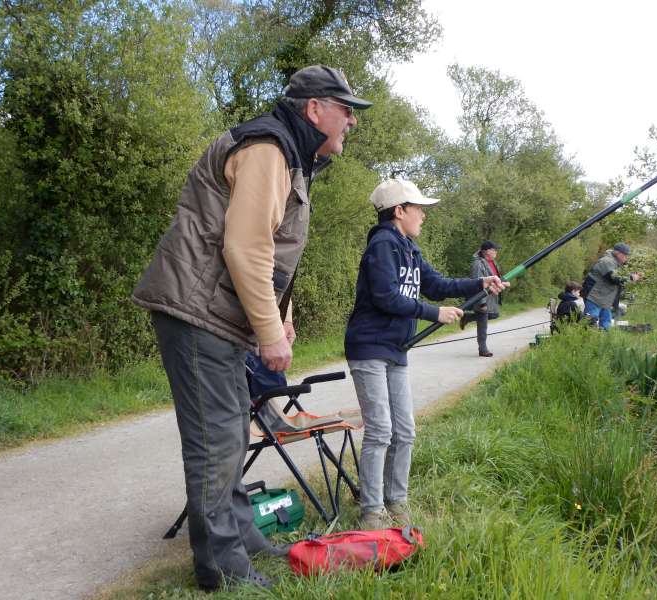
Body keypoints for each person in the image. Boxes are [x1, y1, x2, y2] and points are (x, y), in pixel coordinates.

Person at [131, 65, 372, 592]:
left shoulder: (288, 153)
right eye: (345, 109)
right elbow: (245, 248)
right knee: (215, 441)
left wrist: (279, 317)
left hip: (216, 312)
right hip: (198, 313)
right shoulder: (269, 149)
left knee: (231, 433)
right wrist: (268, 332)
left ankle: (244, 537)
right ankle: (222, 568)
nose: (351, 120)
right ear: (315, 109)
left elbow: (266, 250)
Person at [344, 179, 507, 530]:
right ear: (399, 211)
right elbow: (386, 296)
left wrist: (480, 284)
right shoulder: (383, 245)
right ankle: (371, 511)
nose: (423, 216)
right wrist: (435, 313)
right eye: (418, 208)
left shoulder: (410, 248)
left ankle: (396, 501)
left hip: (397, 349)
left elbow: (437, 285)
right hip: (369, 346)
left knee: (405, 429)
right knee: (380, 431)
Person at [582, 242, 643, 330]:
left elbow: (621, 275)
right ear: (618, 253)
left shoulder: (616, 262)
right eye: (625, 255)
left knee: (606, 325)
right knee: (590, 322)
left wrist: (636, 274)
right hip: (594, 297)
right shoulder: (607, 261)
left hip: (604, 299)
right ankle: (585, 340)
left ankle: (602, 342)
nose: (627, 258)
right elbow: (614, 278)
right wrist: (631, 278)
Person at [460, 241, 502, 357]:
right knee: (483, 321)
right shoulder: (477, 264)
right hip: (481, 297)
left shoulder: (493, 262)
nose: (496, 252)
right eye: (494, 249)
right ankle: (483, 349)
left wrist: (502, 282)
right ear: (486, 251)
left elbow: (495, 277)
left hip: (491, 297)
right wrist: (481, 302)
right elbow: (476, 283)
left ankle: (467, 317)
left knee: (494, 315)